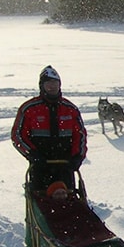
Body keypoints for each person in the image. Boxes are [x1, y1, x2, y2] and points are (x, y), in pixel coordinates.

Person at [11, 65, 88, 194]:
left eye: (55, 82)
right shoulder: (29, 109)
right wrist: (32, 154)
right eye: (48, 83)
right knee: (41, 201)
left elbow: (80, 136)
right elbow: (17, 135)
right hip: (40, 165)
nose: (52, 86)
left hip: (65, 165)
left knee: (69, 200)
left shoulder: (70, 109)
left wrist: (77, 156)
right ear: (42, 85)